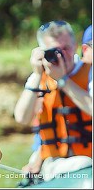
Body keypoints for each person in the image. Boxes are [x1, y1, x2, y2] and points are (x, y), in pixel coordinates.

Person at [14, 20, 92, 183]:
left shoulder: (89, 72)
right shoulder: (40, 77)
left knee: (84, 163)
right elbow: (21, 118)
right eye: (55, 50)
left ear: (75, 45)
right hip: (53, 162)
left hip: (87, 160)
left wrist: (62, 80)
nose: (62, 55)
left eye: (66, 48)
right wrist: (36, 74)